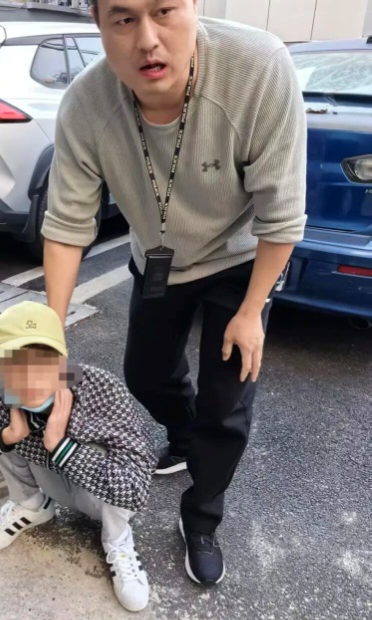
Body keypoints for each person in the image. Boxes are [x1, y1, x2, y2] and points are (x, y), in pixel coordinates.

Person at [41, 1, 307, 585]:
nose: (147, 39)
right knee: (145, 374)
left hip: (241, 262)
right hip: (158, 258)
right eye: (123, 19)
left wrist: (252, 311)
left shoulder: (258, 67)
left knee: (226, 405)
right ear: (97, 24)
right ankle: (185, 438)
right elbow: (66, 225)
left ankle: (202, 517)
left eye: (164, 10)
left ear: (194, 6)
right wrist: (49, 341)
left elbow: (283, 214)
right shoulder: (86, 105)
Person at [0, 301, 156, 612]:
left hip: (100, 499)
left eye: (44, 361)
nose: (31, 378)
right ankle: (31, 506)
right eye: (15, 365)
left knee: (106, 452)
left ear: (63, 362)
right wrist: (6, 436)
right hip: (45, 478)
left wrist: (60, 444)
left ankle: (117, 541)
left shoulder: (101, 388)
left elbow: (134, 490)